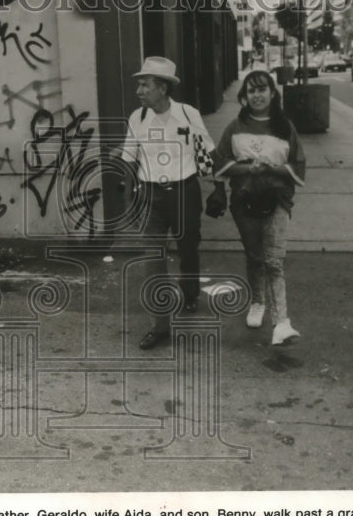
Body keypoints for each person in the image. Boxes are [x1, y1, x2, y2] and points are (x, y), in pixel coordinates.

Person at [118, 56, 217, 351]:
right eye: (139, 84)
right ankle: (160, 325)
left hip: (184, 192)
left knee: (188, 249)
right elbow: (128, 159)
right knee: (153, 259)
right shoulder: (138, 118)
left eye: (145, 85)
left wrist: (219, 188)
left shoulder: (188, 114)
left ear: (162, 88)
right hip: (150, 196)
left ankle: (189, 293)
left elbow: (209, 153)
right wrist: (128, 198)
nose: (139, 90)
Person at [211, 70, 305, 344]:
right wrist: (247, 168)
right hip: (243, 202)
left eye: (262, 89)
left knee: (274, 261)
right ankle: (257, 302)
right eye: (251, 90)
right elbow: (220, 161)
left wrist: (274, 168)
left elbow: (299, 164)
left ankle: (282, 323)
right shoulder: (235, 127)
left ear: (273, 93)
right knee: (255, 257)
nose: (257, 95)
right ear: (244, 96)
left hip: (277, 200)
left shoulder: (285, 126)